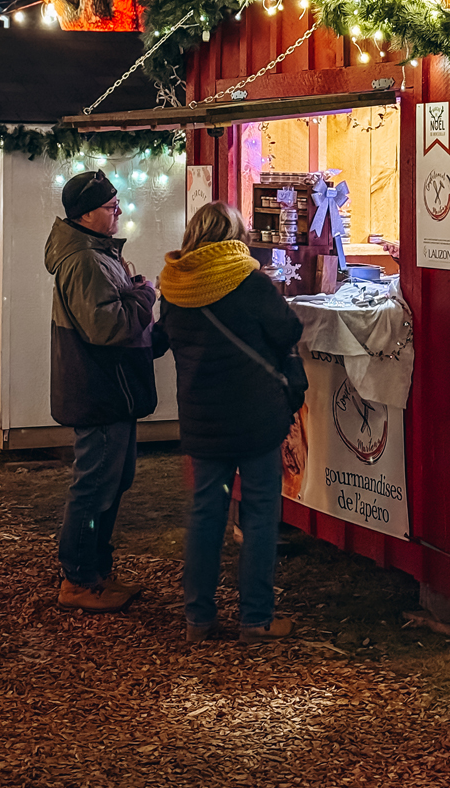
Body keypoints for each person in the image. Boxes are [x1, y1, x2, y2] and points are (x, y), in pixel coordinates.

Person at [153, 201, 305, 644]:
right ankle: (256, 618)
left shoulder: (175, 288)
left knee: (205, 514)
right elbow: (288, 330)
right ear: (233, 236)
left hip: (202, 418)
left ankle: (198, 619)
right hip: (255, 416)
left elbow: (163, 339)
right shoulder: (248, 282)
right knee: (259, 514)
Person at [44, 169, 158, 612]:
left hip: (109, 388)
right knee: (95, 485)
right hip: (100, 389)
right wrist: (144, 296)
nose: (119, 213)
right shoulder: (85, 260)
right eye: (112, 207)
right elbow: (106, 326)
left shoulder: (93, 254)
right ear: (88, 214)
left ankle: (95, 571)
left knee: (113, 480)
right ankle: (79, 579)